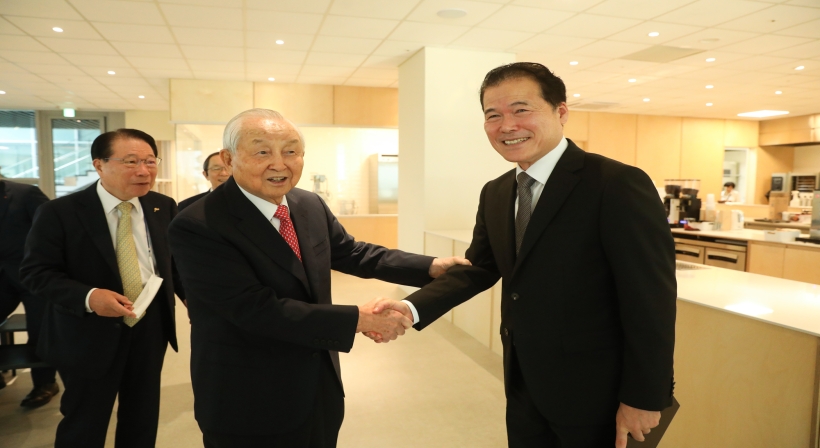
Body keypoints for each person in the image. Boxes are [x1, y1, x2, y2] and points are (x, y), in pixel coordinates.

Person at [372, 62, 677, 448]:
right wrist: (411, 308)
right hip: (523, 381)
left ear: (560, 112)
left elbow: (651, 299)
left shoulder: (615, 184)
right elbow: (480, 268)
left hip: (597, 390)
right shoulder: (497, 191)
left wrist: (644, 397)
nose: (507, 125)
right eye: (493, 115)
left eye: (521, 109)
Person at [168, 108, 468, 448]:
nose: (280, 164)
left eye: (291, 151)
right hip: (249, 396)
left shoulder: (306, 203)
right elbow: (254, 308)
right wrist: (359, 319)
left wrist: (429, 266)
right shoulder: (198, 224)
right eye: (262, 151)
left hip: (317, 386)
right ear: (229, 158)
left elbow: (351, 253)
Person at [19, 129, 186, 448]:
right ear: (99, 165)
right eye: (131, 161)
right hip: (87, 333)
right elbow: (36, 272)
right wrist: (89, 297)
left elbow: (174, 266)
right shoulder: (60, 212)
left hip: (149, 328)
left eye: (151, 161)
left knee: (142, 416)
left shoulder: (162, 206)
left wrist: (196, 300)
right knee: (85, 421)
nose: (144, 170)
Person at [0, 179, 58, 405]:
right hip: (2, 277)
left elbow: (52, 227)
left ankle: (45, 383)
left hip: (32, 274)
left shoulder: (26, 193)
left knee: (40, 328)